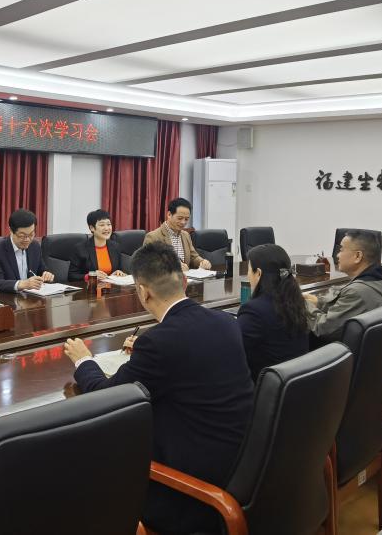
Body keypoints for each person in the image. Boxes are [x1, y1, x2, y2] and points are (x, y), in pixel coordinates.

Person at [63, 243, 253, 534]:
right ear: (184, 281)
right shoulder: (226, 322)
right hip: (241, 471)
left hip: (190, 493)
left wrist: (84, 360)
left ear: (142, 291)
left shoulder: (159, 343)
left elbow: (109, 396)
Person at [304, 230, 382, 342]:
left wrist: (304, 304)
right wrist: (318, 302)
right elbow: (345, 308)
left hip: (350, 352)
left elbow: (323, 328)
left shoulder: (357, 292)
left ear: (357, 256)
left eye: (341, 250)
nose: (337, 255)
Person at [238, 244, 310, 380]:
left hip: (264, 386)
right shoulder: (295, 301)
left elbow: (234, 350)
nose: (247, 275)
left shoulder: (254, 311)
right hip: (296, 383)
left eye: (248, 270)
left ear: (258, 273)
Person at [0, 208, 55, 292]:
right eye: (22, 236)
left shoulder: (35, 246)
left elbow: (42, 270)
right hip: (9, 298)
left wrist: (46, 274)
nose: (27, 239)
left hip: (32, 297)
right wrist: (21, 284)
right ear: (11, 231)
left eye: (31, 234)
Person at [143, 197, 211, 272]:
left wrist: (202, 262)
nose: (183, 222)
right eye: (180, 218)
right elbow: (149, 264)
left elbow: (193, 257)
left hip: (187, 278)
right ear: (169, 214)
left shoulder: (186, 235)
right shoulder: (153, 237)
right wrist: (174, 266)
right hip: (165, 279)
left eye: (186, 219)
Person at [69, 209, 127, 282]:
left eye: (109, 224)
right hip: (90, 287)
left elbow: (118, 269)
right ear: (92, 228)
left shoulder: (115, 247)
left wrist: (118, 273)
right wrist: (90, 276)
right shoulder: (80, 249)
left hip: (111, 287)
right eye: (102, 225)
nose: (107, 228)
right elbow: (71, 276)